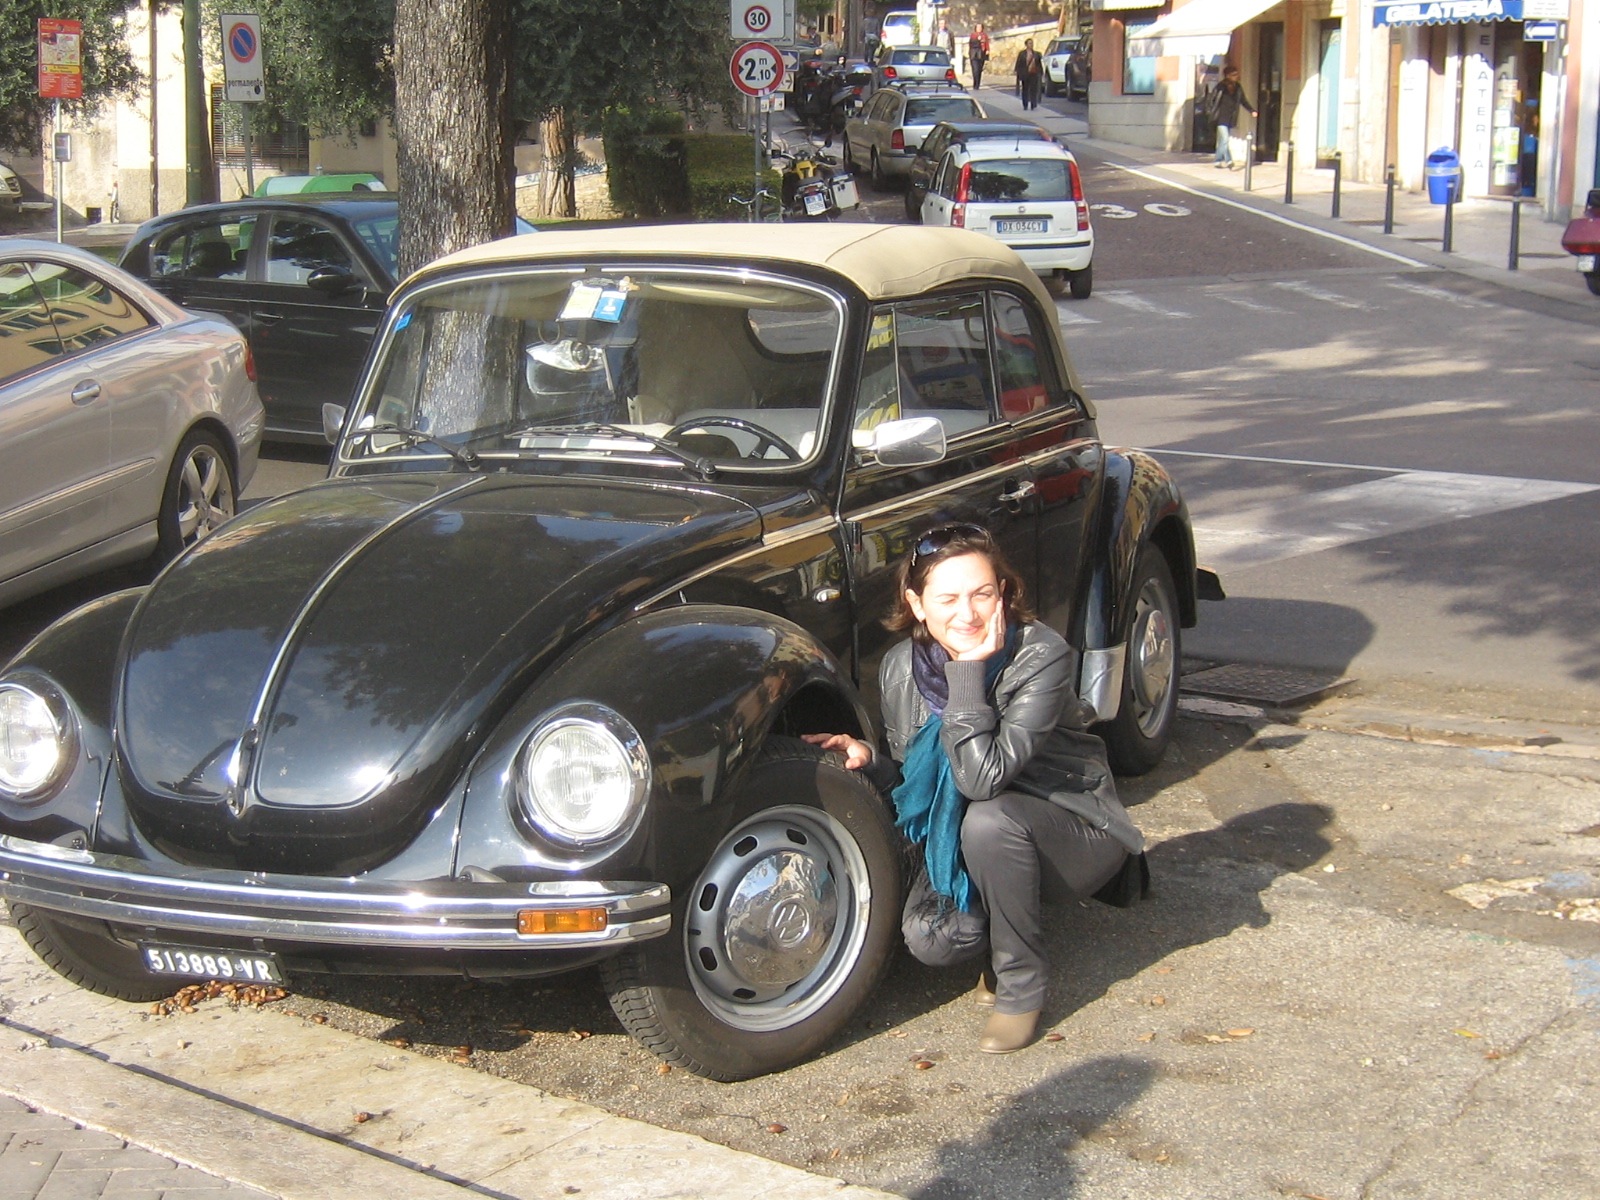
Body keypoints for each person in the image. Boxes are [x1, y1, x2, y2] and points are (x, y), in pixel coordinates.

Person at [804, 524, 1149, 1054]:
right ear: (917, 605)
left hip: (1071, 828)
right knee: (934, 941)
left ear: (1002, 594)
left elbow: (982, 778)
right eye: (947, 599)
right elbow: (918, 780)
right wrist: (870, 761)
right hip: (980, 831)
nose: (967, 614)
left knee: (991, 820)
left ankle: (1020, 981)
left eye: (982, 594)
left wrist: (966, 674)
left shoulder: (1040, 655)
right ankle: (997, 922)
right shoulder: (900, 669)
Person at [1208, 65, 1257, 170]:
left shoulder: (1238, 87)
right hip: (1220, 117)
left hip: (1230, 117)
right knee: (1225, 139)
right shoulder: (1220, 87)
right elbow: (1211, 100)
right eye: (1234, 75)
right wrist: (1210, 112)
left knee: (1223, 140)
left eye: (1236, 74)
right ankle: (1221, 160)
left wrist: (1251, 110)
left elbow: (1243, 100)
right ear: (1228, 76)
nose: (1236, 76)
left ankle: (1226, 160)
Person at [1014, 38, 1044, 111]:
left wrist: (1041, 72)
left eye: (1032, 43)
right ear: (1026, 45)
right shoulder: (1022, 54)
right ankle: (1025, 104)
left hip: (1034, 74)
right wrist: (1017, 72)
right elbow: (1018, 63)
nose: (1031, 45)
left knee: (1033, 89)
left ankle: (1033, 104)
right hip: (1025, 74)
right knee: (1025, 89)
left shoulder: (1036, 54)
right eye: (1030, 43)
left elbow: (1039, 64)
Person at [967, 24, 990, 89]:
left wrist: (987, 50)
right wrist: (978, 39)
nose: (979, 28)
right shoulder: (973, 35)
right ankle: (975, 83)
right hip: (974, 54)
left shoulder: (984, 35)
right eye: (978, 27)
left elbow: (987, 43)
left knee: (979, 69)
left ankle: (978, 84)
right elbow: (971, 44)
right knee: (975, 69)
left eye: (980, 27)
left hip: (982, 54)